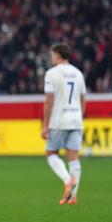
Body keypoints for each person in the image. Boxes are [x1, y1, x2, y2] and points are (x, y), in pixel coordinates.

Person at [42, 43, 86, 205]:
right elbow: (83, 100)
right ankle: (73, 197)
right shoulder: (78, 73)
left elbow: (49, 101)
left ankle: (68, 180)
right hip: (76, 119)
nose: (51, 58)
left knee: (51, 153)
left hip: (59, 120)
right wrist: (79, 117)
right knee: (73, 157)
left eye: (52, 55)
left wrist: (45, 125)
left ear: (58, 55)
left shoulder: (51, 74)